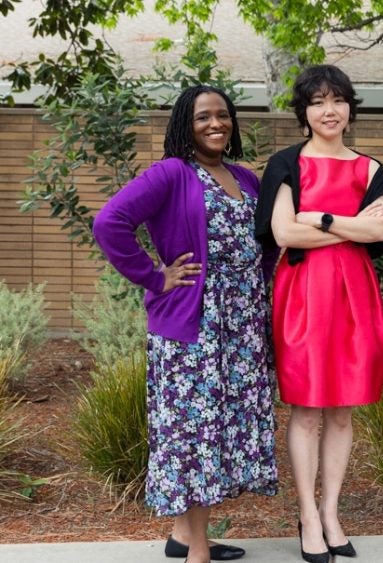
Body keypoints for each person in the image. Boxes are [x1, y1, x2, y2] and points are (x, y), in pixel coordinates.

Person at [93, 85, 278, 563]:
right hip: (194, 327)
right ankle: (197, 550)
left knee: (218, 431)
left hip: (240, 328)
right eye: (202, 118)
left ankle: (183, 536)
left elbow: (267, 241)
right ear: (184, 126)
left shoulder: (244, 178)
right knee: (194, 436)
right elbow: (109, 223)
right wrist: (154, 277)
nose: (215, 124)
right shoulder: (172, 174)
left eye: (223, 115)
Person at [254, 64, 383, 563]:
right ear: (304, 112)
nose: (328, 110)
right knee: (307, 408)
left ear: (350, 108)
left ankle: (332, 513)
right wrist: (350, 226)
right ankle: (307, 515)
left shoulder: (370, 168)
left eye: (337, 100)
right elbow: (285, 234)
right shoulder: (285, 164)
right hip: (304, 294)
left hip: (355, 296)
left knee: (343, 409)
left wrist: (324, 218)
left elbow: (380, 235)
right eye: (317, 102)